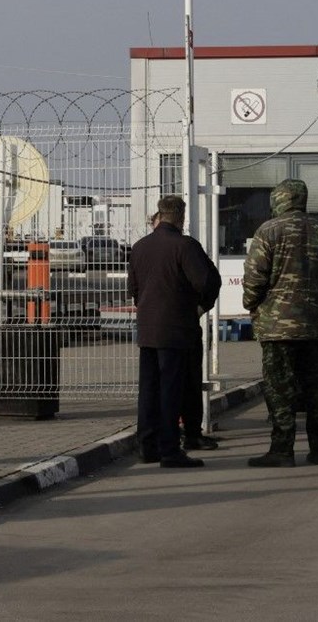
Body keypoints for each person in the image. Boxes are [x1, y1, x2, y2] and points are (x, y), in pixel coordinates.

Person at [242, 178, 318, 467]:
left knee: (279, 389)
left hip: (277, 328)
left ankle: (282, 449)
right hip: (313, 327)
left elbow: (254, 278)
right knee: (315, 387)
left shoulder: (268, 231)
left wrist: (252, 305)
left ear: (279, 201)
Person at [128, 196, 221, 468]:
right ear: (181, 217)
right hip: (177, 330)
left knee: (149, 390)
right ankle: (170, 450)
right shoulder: (185, 246)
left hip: (147, 329)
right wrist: (201, 307)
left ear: (160, 214)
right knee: (171, 390)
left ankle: (148, 446)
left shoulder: (139, 247)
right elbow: (207, 281)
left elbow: (133, 288)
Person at [147, 211, 219, 453]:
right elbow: (209, 280)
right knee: (174, 386)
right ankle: (175, 438)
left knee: (176, 385)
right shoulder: (177, 247)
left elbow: (209, 280)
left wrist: (200, 307)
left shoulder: (148, 247)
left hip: (167, 329)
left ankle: (182, 436)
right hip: (171, 329)